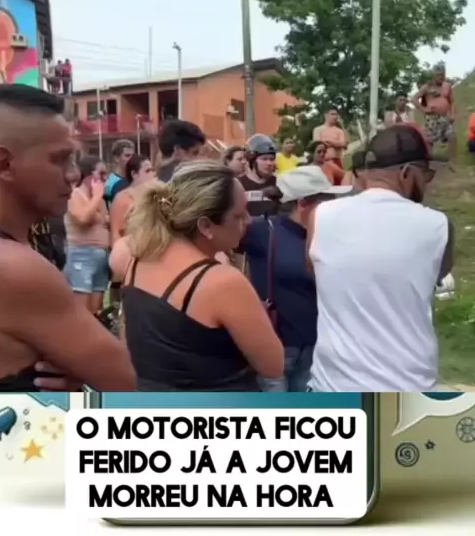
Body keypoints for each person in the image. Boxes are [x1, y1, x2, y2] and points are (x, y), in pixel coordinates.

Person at [0, 84, 136, 391]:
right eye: (60, 159)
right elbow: (128, 385)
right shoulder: (15, 269)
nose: (73, 174)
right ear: (4, 164)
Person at [111, 160, 283, 391]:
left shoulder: (136, 260)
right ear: (206, 226)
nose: (248, 221)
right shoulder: (222, 282)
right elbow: (273, 365)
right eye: (239, 215)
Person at [307, 124, 452, 392]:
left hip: (332, 388)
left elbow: (315, 272)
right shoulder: (439, 225)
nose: (426, 184)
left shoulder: (321, 215)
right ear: (407, 173)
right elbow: (437, 275)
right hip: (408, 389)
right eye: (426, 175)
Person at [237, 166, 351, 392]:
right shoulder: (262, 231)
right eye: (326, 201)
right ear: (303, 204)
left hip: (317, 349)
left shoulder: (329, 234)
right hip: (276, 349)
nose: (333, 206)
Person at [64, 155, 110, 314]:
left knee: (96, 310)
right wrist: (97, 196)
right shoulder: (74, 195)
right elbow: (83, 218)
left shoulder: (99, 200)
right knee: (82, 311)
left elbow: (107, 221)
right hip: (82, 254)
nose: (105, 178)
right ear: (88, 176)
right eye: (101, 174)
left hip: (101, 256)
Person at [412, 64, 456, 160]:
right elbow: (414, 99)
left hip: (445, 117)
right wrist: (424, 109)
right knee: (429, 140)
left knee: (451, 135)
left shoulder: (447, 86)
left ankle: (452, 161)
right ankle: (428, 160)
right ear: (434, 75)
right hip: (432, 118)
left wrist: (452, 114)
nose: (441, 77)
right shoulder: (427, 87)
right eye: (439, 75)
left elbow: (452, 101)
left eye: (443, 74)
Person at [110, 154, 154, 243]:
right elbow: (115, 233)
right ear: (134, 174)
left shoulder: (154, 195)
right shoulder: (122, 198)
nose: (152, 174)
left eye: (153, 170)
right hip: (130, 247)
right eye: (147, 171)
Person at [239, 134, 277, 216]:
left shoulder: (279, 183)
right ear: (252, 161)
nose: (269, 163)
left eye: (271, 159)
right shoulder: (238, 184)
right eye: (264, 159)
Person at [104, 139, 135, 206]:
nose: (131, 159)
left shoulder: (133, 178)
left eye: (132, 156)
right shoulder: (113, 182)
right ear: (116, 158)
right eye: (127, 155)